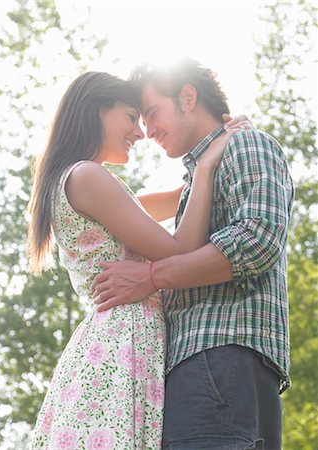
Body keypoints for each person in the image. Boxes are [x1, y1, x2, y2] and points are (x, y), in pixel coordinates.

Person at [27, 71, 243, 449]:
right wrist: (207, 167)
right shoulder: (88, 176)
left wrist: (218, 143)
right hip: (123, 339)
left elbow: (181, 197)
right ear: (97, 111)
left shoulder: (78, 183)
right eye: (130, 116)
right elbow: (181, 250)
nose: (140, 132)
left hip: (113, 338)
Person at [93, 59, 295, 450]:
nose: (147, 132)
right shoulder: (199, 177)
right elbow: (128, 205)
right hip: (206, 367)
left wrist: (151, 278)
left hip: (220, 356)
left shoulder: (245, 143)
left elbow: (257, 238)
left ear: (188, 97)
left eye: (151, 114)